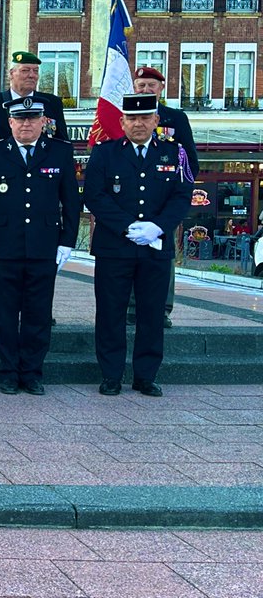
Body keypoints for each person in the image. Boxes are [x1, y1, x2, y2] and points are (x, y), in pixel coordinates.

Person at [84, 93, 195, 398]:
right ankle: (111, 375)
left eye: (145, 118)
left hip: (155, 247)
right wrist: (128, 226)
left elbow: (182, 196)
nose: (138, 124)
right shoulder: (105, 153)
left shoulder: (175, 153)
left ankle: (145, 376)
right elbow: (94, 195)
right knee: (110, 312)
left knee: (152, 313)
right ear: (122, 122)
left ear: (156, 121)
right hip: (114, 247)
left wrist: (157, 227)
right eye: (132, 119)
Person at [0, 97, 80, 395]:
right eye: (20, 119)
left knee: (38, 314)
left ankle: (31, 372)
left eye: (33, 118)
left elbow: (71, 201)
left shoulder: (59, 152)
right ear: (10, 122)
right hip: (3, 250)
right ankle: (8, 371)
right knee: (5, 315)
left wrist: (67, 241)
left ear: (44, 121)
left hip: (44, 249)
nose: (26, 124)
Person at [128, 65, 199, 328]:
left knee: (163, 255)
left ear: (161, 88)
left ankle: (162, 309)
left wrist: (179, 197)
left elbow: (190, 160)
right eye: (141, 85)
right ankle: (131, 308)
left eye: (151, 85)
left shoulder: (175, 118)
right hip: (130, 199)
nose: (145, 89)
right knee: (128, 255)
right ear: (134, 88)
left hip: (163, 201)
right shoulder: (124, 114)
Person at [0, 50, 69, 142]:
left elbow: (63, 143)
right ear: (11, 74)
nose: (31, 75)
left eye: (35, 71)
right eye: (25, 70)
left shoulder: (51, 102)